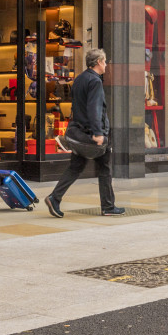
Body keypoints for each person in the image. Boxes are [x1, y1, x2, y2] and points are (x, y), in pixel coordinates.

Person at [44, 48, 125, 217]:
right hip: (91, 134)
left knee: (75, 167)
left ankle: (55, 198)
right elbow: (94, 108)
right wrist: (98, 132)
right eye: (104, 61)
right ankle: (108, 207)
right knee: (104, 168)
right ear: (98, 63)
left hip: (79, 132)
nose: (106, 65)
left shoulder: (80, 79)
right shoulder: (95, 81)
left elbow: (77, 106)